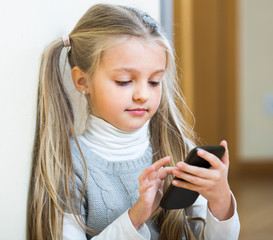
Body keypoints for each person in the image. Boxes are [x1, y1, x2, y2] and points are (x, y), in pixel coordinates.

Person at [26, 4, 240, 240]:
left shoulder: (178, 148)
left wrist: (221, 200)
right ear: (81, 81)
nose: (143, 95)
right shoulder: (69, 164)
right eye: (124, 81)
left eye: (154, 81)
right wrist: (136, 216)